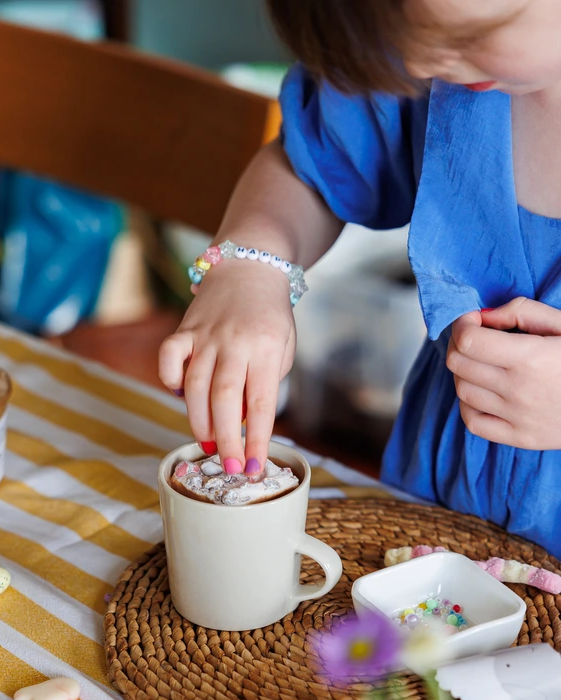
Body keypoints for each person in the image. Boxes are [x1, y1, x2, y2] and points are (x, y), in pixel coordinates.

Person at [158, 0, 561, 556]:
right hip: (442, 494)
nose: (419, 68)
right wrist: (252, 266)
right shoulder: (421, 44)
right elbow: (312, 170)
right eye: (404, 47)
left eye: (470, 36)